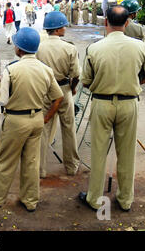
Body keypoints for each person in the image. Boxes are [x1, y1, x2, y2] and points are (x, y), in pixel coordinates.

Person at [78, 6, 145, 212]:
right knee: (127, 153)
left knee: (98, 152)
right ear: (127, 22)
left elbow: (85, 81)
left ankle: (94, 199)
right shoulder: (139, 46)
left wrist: (103, 83)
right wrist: (134, 84)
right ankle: (125, 199)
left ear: (106, 22)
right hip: (129, 103)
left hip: (102, 104)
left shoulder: (94, 48)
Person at [0, 27, 64, 212]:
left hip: (16, 121)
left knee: (6, 161)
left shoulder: (11, 70)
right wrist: (47, 117)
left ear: (19, 49)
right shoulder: (46, 70)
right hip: (37, 119)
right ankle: (30, 200)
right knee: (31, 162)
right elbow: (58, 97)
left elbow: (1, 100)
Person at [36, 12, 81, 178]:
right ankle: (71, 166)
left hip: (44, 90)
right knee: (68, 128)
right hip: (63, 90)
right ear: (57, 29)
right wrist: (73, 88)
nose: (65, 28)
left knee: (43, 129)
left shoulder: (39, 47)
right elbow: (76, 75)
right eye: (63, 26)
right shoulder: (69, 48)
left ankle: (40, 169)